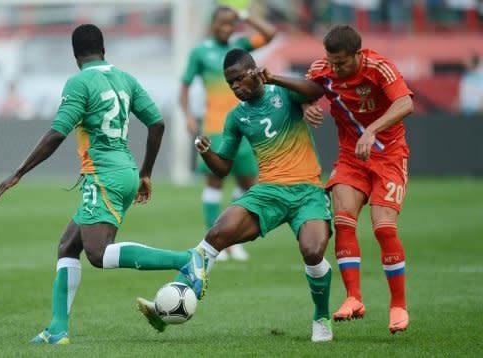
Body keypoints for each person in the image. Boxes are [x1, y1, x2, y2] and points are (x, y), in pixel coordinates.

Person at [0, 24, 205, 345]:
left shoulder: (79, 82)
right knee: (68, 246)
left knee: (98, 253)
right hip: (126, 172)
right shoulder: (125, 79)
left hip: (102, 176)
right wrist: (146, 172)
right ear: (103, 49)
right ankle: (57, 329)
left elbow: (56, 133)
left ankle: (186, 260)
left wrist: (19, 172)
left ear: (75, 54)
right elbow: (157, 123)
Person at [139, 49, 334, 342]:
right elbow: (222, 169)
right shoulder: (236, 118)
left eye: (239, 79)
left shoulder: (284, 94)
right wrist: (206, 152)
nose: (235, 88)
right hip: (267, 192)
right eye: (230, 84)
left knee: (313, 251)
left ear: (255, 71)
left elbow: (317, 89)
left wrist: (276, 77)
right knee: (216, 235)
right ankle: (166, 305)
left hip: (307, 190)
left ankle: (321, 316)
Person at [303, 25, 414, 334]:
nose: (335, 68)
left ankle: (398, 306)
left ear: (357, 54)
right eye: (331, 61)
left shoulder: (378, 67)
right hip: (351, 157)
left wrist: (372, 129)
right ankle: (354, 298)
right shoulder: (321, 69)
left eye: (341, 62)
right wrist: (307, 105)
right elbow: (302, 92)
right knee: (343, 221)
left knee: (383, 228)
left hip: (388, 155)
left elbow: (406, 103)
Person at [179, 5, 277, 261]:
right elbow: (185, 86)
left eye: (231, 23)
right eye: (222, 23)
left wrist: (244, 14)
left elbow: (270, 33)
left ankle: (232, 240)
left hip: (245, 124)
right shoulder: (200, 52)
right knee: (214, 181)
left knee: (248, 183)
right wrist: (189, 115)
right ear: (212, 24)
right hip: (215, 126)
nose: (227, 27)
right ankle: (213, 239)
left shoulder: (239, 49)